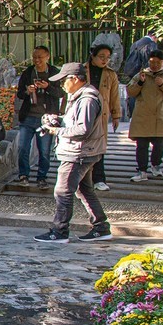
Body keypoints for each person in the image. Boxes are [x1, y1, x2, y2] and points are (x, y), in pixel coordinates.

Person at [34, 63, 112, 244]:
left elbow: (83, 129)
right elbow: (75, 121)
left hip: (79, 152)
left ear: (75, 79)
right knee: (84, 190)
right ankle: (101, 227)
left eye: (63, 81)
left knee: (63, 190)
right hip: (82, 150)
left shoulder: (87, 99)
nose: (62, 85)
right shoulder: (80, 96)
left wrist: (56, 131)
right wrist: (58, 120)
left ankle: (59, 231)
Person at [127, 49, 163, 182]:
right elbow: (130, 91)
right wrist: (140, 82)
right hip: (143, 115)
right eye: (152, 62)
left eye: (158, 62)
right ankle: (142, 171)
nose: (154, 65)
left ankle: (155, 165)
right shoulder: (142, 74)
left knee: (159, 143)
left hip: (161, 114)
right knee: (141, 145)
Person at [14, 45, 62, 188]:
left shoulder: (54, 73)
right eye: (34, 57)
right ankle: (23, 175)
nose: (37, 60)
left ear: (47, 56)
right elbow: (19, 94)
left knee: (44, 150)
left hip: (46, 118)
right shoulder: (28, 72)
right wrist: (27, 91)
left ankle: (42, 177)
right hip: (28, 116)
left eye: (40, 57)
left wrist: (47, 87)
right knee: (22, 147)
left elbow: (60, 93)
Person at [85, 44, 122, 191]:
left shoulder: (110, 74)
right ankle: (83, 179)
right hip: (84, 112)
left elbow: (114, 96)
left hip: (101, 114)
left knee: (99, 146)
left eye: (107, 58)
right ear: (93, 55)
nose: (105, 60)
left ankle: (99, 178)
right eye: (101, 57)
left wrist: (116, 115)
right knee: (83, 146)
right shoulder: (82, 69)